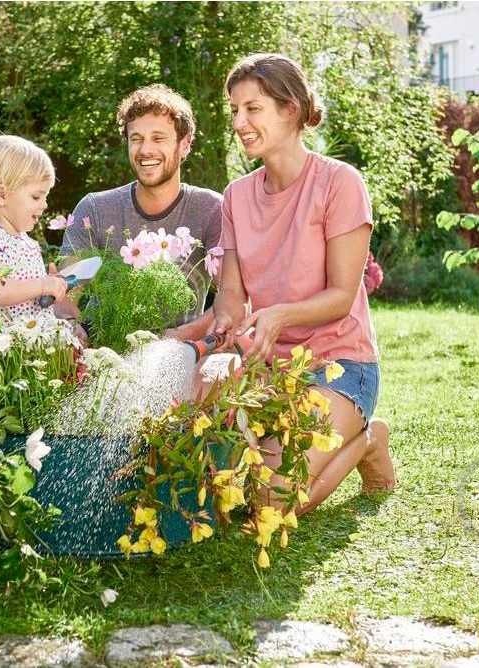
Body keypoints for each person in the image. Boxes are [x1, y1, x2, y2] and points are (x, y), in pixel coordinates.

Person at [211, 53, 394, 515]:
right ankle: (348, 438)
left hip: (339, 364)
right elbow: (231, 290)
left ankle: (369, 439)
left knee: (274, 500)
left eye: (253, 108)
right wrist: (228, 316)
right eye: (235, 110)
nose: (240, 121)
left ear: (290, 110)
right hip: (270, 369)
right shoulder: (236, 196)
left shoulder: (339, 183)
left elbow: (340, 296)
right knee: (234, 491)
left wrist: (279, 315)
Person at [60, 84, 221, 338]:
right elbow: (65, 292)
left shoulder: (211, 209)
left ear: (185, 145)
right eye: (136, 139)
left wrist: (174, 340)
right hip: (102, 351)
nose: (145, 150)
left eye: (158, 138)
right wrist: (71, 327)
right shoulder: (95, 209)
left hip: (177, 355)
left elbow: (235, 298)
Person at [0, 135, 68, 327]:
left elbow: (24, 290)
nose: (44, 205)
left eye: (45, 196)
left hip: (25, 346)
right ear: (2, 195)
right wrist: (42, 285)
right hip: (3, 350)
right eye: (36, 197)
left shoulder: (21, 240)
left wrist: (47, 286)